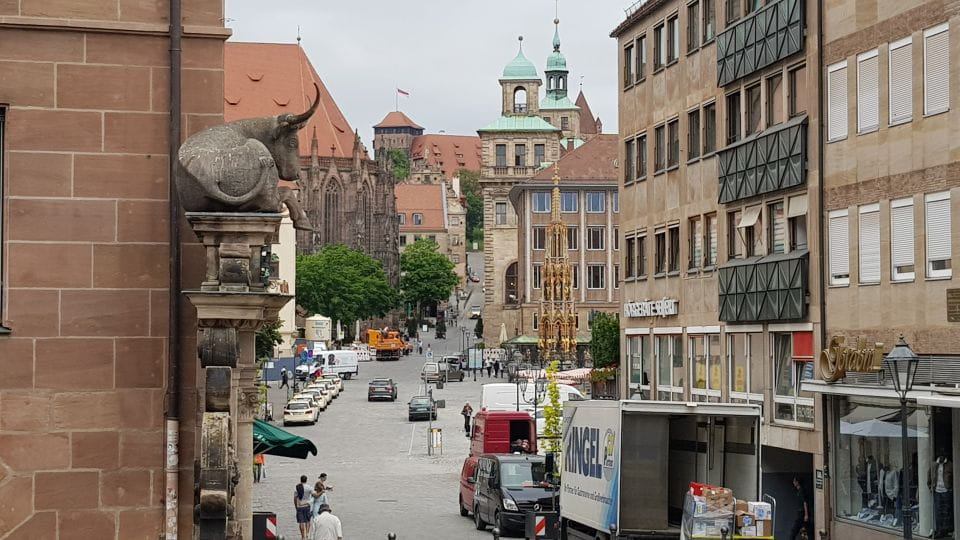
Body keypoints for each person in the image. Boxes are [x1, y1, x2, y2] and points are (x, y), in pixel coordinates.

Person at [789, 475, 812, 540]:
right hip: (801, 513)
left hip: (802, 513)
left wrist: (806, 515)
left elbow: (805, 503)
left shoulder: (802, 491)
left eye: (794, 481)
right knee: (807, 530)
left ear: (797, 482)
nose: (793, 482)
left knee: (794, 530)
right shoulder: (800, 491)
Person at [294, 475, 313, 539]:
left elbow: (295, 498)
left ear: (300, 480)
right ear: (306, 480)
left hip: (299, 506)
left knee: (301, 522)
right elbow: (313, 494)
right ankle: (307, 534)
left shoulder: (298, 488)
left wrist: (296, 506)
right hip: (307, 506)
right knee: (307, 521)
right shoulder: (309, 487)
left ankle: (302, 536)